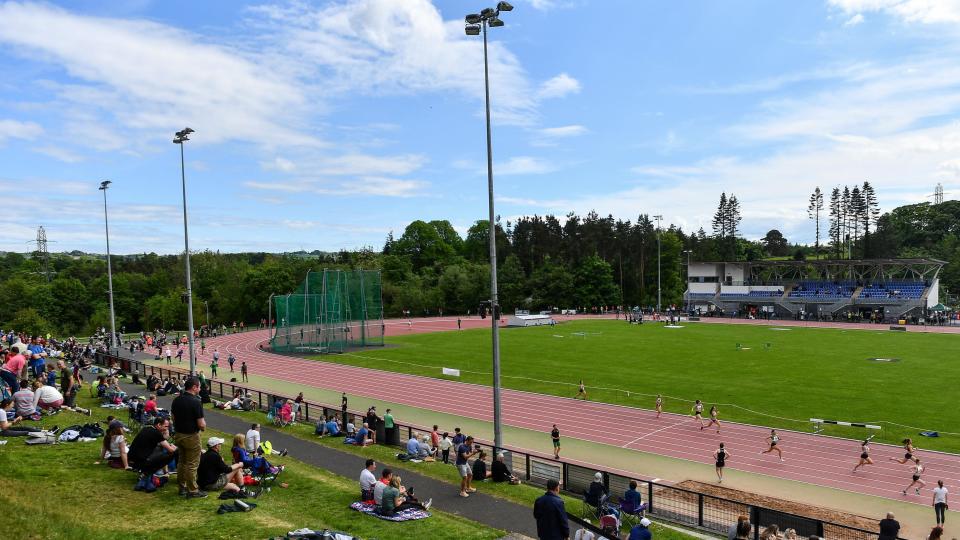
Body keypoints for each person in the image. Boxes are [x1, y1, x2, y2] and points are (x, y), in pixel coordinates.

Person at [171, 377, 206, 498]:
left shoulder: (177, 400)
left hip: (179, 434)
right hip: (191, 436)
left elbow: (173, 418)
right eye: (199, 386)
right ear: (194, 387)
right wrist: (203, 428)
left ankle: (182, 486)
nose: (200, 389)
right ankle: (193, 490)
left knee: (182, 461)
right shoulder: (196, 402)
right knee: (192, 464)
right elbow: (201, 424)